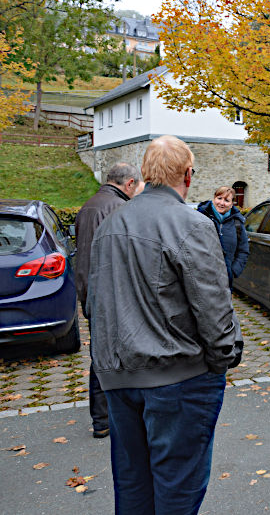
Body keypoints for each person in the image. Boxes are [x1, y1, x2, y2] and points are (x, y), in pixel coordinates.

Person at [86, 136, 242, 514]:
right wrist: (226, 356)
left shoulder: (110, 224)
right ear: (188, 175)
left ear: (145, 174)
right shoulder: (191, 223)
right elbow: (213, 306)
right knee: (177, 490)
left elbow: (93, 301)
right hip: (176, 377)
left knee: (134, 486)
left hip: (120, 376)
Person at [74, 162, 144, 439]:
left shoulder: (89, 205)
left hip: (90, 292)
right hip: (112, 293)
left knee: (99, 355)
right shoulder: (119, 209)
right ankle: (112, 418)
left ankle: (101, 420)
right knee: (119, 357)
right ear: (128, 184)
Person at [197, 186, 249, 290]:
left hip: (225, 281)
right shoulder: (200, 217)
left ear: (231, 204)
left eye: (226, 200)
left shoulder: (237, 223)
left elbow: (243, 250)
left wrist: (232, 271)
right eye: (219, 198)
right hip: (200, 278)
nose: (221, 203)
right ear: (214, 199)